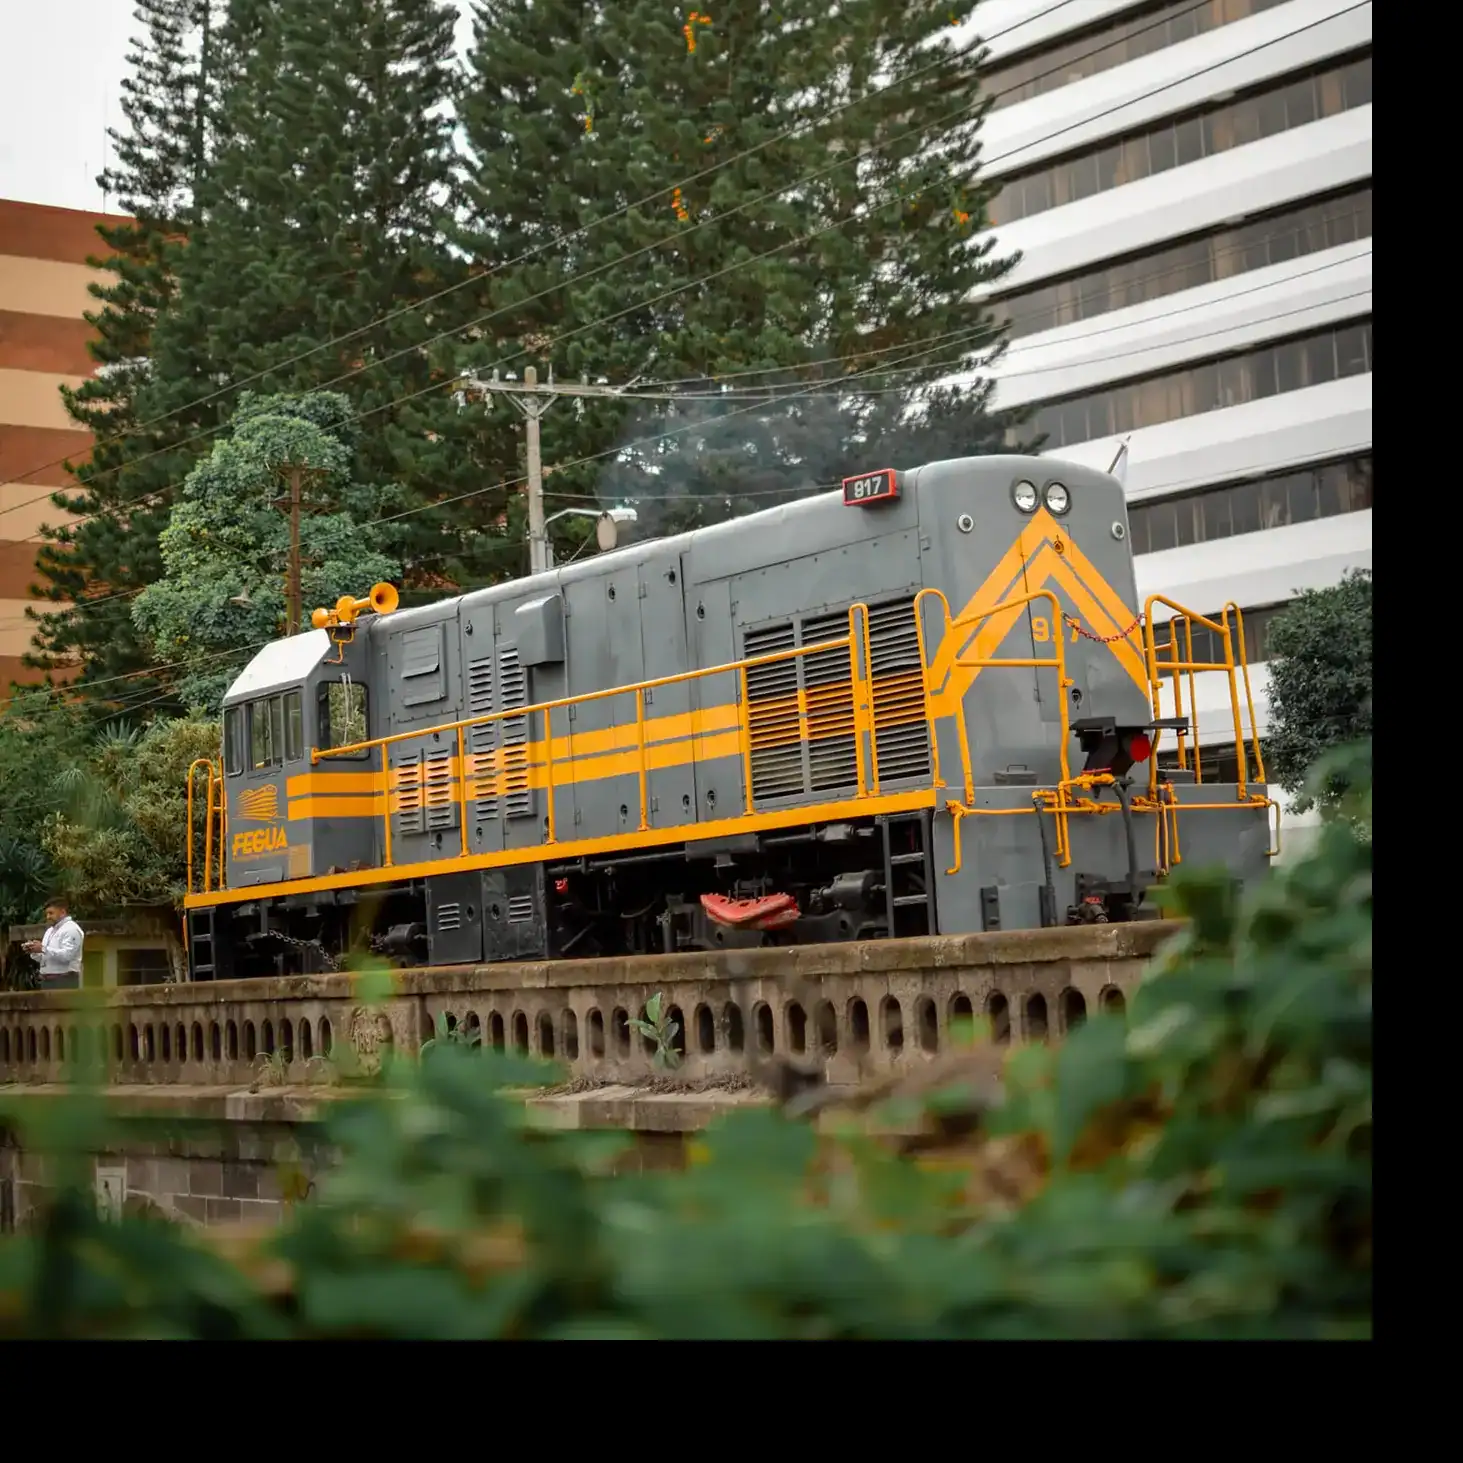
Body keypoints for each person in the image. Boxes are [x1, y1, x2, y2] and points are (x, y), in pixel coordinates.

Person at [21, 898, 84, 990]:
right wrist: (33, 950)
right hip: (47, 981)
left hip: (64, 980)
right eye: (47, 914)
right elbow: (45, 958)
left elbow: (67, 956)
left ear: (62, 912)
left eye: (51, 913)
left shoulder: (71, 929)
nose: (48, 917)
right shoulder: (49, 931)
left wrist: (43, 949)